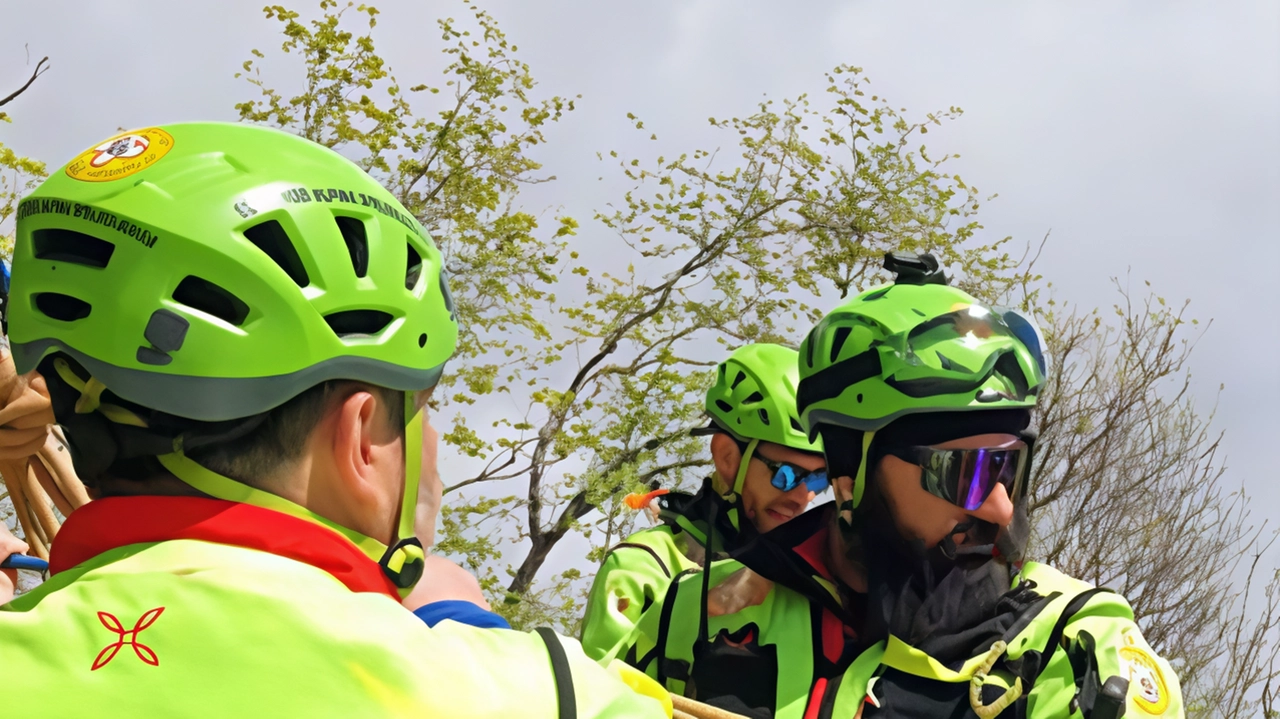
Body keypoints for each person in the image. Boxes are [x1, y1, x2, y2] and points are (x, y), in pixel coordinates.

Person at [0, 122, 668, 718]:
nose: (430, 443)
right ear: (361, 436)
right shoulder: (538, 694)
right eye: (420, 410)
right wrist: (461, 627)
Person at [792, 251, 1184, 717]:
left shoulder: (1075, 645)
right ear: (849, 477)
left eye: (1007, 470)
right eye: (963, 473)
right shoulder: (716, 608)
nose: (1000, 510)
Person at [579, 343, 827, 665]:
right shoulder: (640, 569)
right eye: (787, 475)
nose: (802, 496)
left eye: (820, 480)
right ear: (727, 457)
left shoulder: (819, 580)